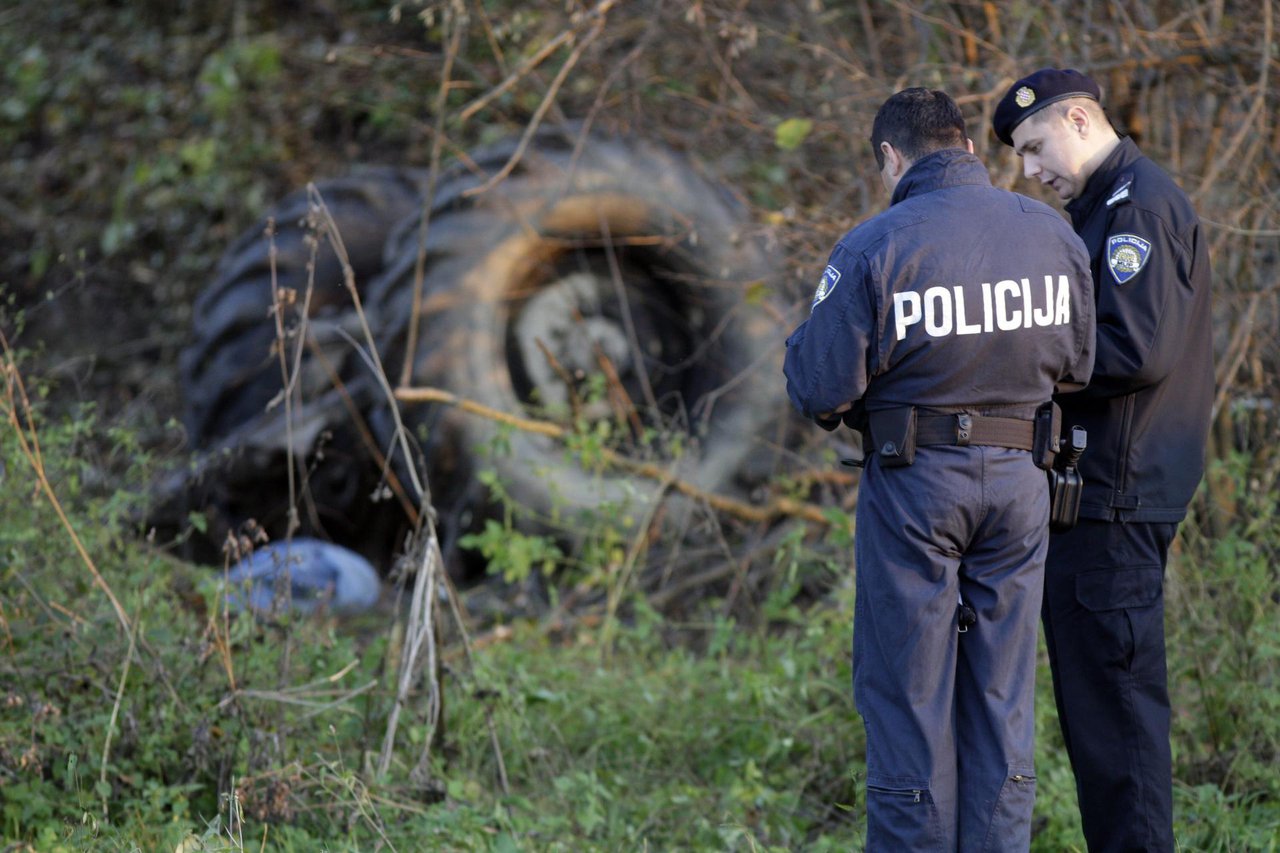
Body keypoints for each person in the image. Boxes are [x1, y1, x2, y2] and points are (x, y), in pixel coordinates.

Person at [784, 87, 1095, 850]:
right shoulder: (1051, 235)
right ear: (964, 145)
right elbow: (1079, 366)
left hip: (917, 486)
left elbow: (820, 386)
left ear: (892, 157)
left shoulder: (876, 244)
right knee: (1000, 697)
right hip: (1024, 483)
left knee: (909, 697)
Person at [993, 68, 1215, 852]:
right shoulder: (1101, 209)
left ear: (1081, 118)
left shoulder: (1138, 208)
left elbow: (1133, 345)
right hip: (1097, 503)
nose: (1029, 169)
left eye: (1034, 146)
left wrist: (1018, 359)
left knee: (1118, 733)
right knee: (1101, 729)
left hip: (1114, 505)